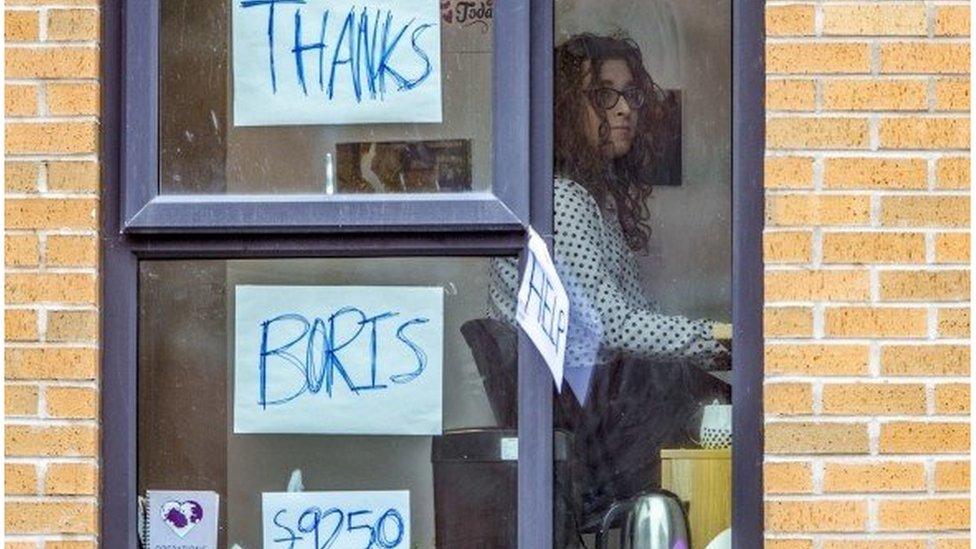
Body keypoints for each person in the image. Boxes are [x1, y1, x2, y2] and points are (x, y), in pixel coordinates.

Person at [484, 32, 731, 538]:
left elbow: (633, 313)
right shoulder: (564, 201)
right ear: (563, 109)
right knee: (735, 427)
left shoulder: (580, 201)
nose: (624, 110)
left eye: (631, 95)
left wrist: (712, 348)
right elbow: (614, 325)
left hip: (598, 423)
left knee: (717, 401)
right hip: (595, 434)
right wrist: (717, 336)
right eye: (603, 95)